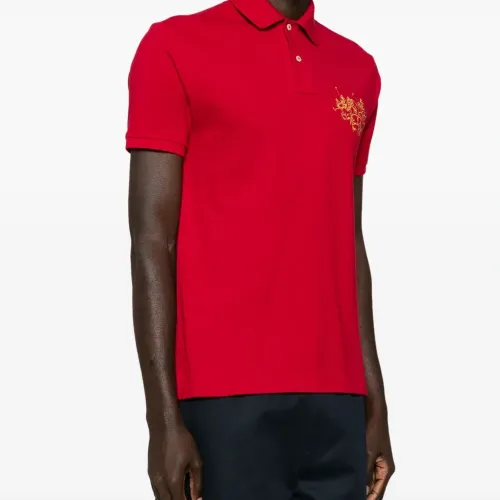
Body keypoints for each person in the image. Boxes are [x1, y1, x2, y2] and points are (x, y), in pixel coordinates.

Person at [126, 0, 395, 499]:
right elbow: (151, 240)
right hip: (223, 399)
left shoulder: (357, 68)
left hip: (338, 401)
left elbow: (349, 241)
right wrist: (162, 419)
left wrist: (375, 401)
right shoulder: (174, 47)